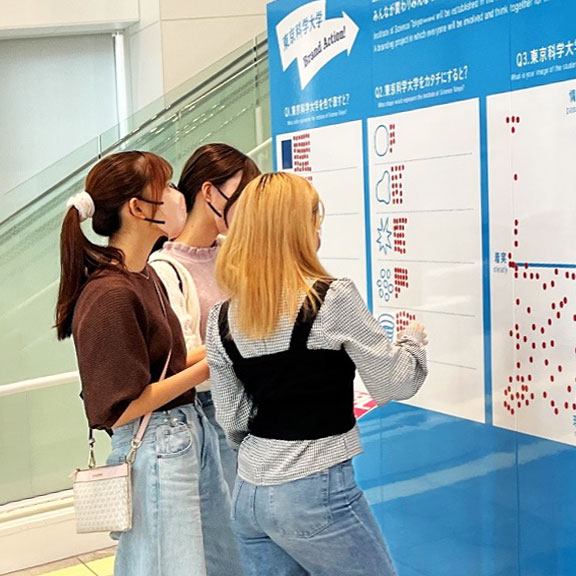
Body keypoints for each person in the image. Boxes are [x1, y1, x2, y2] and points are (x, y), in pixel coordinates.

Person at [205, 172, 429, 576]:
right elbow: (393, 382)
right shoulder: (330, 298)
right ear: (300, 228)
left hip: (249, 494)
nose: (319, 229)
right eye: (315, 219)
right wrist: (411, 342)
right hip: (314, 491)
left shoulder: (221, 317)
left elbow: (233, 419)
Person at [55, 150, 231, 576]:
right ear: (137, 209)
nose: (177, 196)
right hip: (157, 446)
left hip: (188, 436)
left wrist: (229, 347)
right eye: (166, 188)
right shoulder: (110, 294)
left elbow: (165, 362)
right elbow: (121, 406)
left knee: (217, 559)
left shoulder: (144, 276)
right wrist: (211, 368)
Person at [149, 143, 260, 497]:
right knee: (231, 528)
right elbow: (182, 358)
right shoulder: (165, 269)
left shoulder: (236, 253)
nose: (248, 207)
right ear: (209, 191)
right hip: (208, 410)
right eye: (241, 194)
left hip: (255, 398)